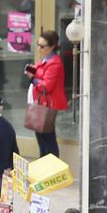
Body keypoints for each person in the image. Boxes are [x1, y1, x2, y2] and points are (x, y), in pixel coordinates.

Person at [26, 29, 67, 160]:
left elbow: (47, 86)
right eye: (38, 44)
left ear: (52, 47)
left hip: (47, 104)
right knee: (41, 138)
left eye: (42, 46)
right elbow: (41, 73)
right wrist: (33, 70)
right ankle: (44, 166)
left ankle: (52, 169)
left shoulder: (54, 63)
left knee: (47, 140)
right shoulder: (45, 59)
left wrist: (33, 78)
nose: (39, 48)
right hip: (41, 103)